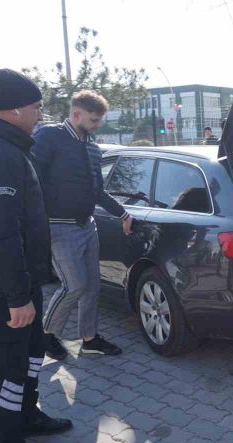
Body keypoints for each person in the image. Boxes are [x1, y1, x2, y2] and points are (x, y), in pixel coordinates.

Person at [0, 68, 72, 443]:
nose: (41, 115)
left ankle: (26, 415)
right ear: (12, 110)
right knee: (8, 365)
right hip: (3, 289)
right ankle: (5, 439)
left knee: (31, 352)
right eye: (36, 107)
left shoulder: (6, 147)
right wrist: (17, 297)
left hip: (20, 281)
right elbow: (1, 234)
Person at [33, 90, 132, 360]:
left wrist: (122, 213)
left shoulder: (92, 147)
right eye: (93, 120)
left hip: (88, 226)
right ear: (76, 114)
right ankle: (46, 335)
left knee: (92, 287)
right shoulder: (48, 137)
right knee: (73, 285)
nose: (98, 125)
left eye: (99, 120)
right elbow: (31, 180)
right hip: (59, 227)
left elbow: (97, 190)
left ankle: (89, 339)